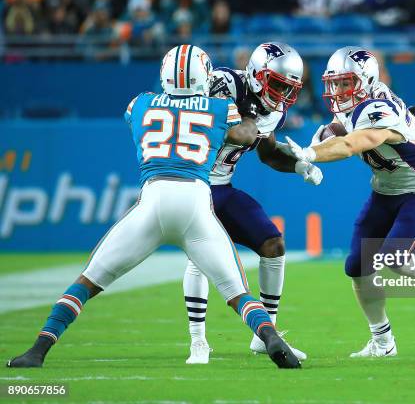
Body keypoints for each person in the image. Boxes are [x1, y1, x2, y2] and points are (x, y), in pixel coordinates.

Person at [6, 45, 301, 369]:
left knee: (88, 281)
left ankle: (38, 349)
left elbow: (142, 124)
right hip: (195, 201)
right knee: (238, 294)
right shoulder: (220, 111)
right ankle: (271, 338)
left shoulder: (140, 104)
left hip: (152, 199)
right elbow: (245, 133)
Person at [285, 47, 415, 358]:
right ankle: (383, 342)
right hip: (385, 191)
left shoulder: (378, 108)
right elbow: (340, 129)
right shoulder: (358, 103)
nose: (338, 90)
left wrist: (312, 153)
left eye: (346, 83)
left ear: (367, 81)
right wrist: (311, 149)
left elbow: (353, 142)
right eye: (335, 83)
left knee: (395, 257)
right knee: (357, 266)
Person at [182, 42, 321, 364]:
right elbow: (237, 134)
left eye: (290, 89)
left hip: (222, 186)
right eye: (278, 84)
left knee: (273, 244)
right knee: (199, 258)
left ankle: (265, 333)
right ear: (257, 76)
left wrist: (299, 164)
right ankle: (198, 341)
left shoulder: (272, 110)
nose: (283, 96)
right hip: (191, 183)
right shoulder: (223, 83)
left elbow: (268, 152)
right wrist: (253, 114)